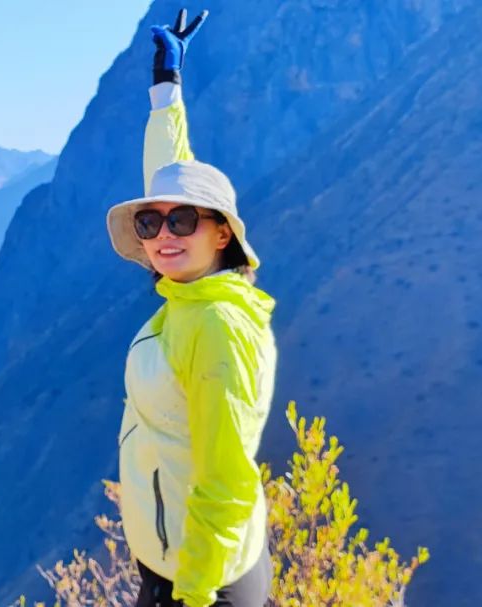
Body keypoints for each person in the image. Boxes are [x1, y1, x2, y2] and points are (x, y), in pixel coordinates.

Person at [104, 9, 277, 607]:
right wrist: (166, 90)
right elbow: (168, 173)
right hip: (177, 562)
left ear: (222, 232)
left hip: (201, 582)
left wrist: (196, 593)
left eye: (182, 220)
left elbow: (227, 477)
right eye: (149, 222)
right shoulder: (192, 296)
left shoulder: (217, 325)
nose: (163, 234)